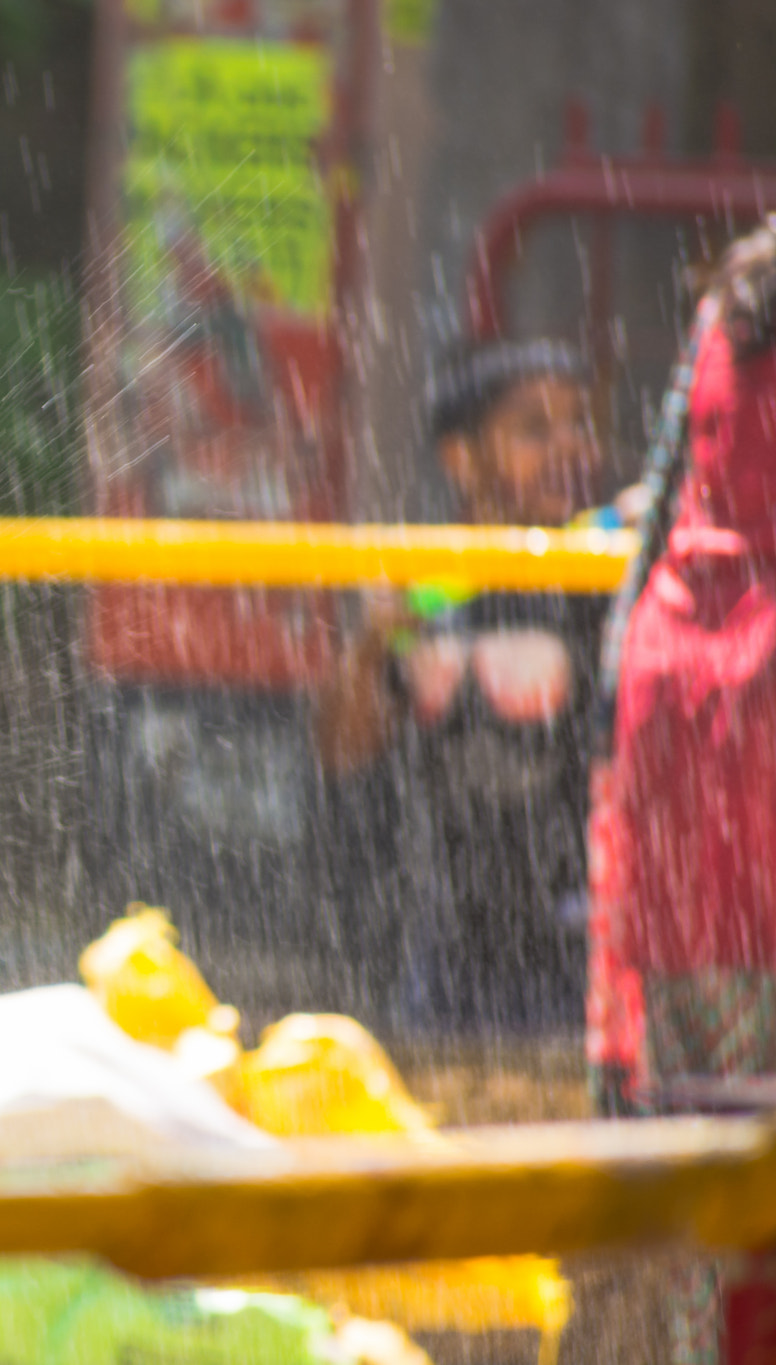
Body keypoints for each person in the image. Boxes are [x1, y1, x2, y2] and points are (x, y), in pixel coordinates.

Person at [588, 217, 776, 1365]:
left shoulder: (723, 310)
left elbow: (651, 523)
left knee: (702, 1117)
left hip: (674, 721)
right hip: (745, 726)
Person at [312, 339, 611, 1031]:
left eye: (578, 425)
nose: (568, 446)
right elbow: (340, 750)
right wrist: (372, 641)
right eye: (535, 430)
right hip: (451, 947)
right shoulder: (431, 583)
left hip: (581, 937)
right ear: (463, 457)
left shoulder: (599, 565)